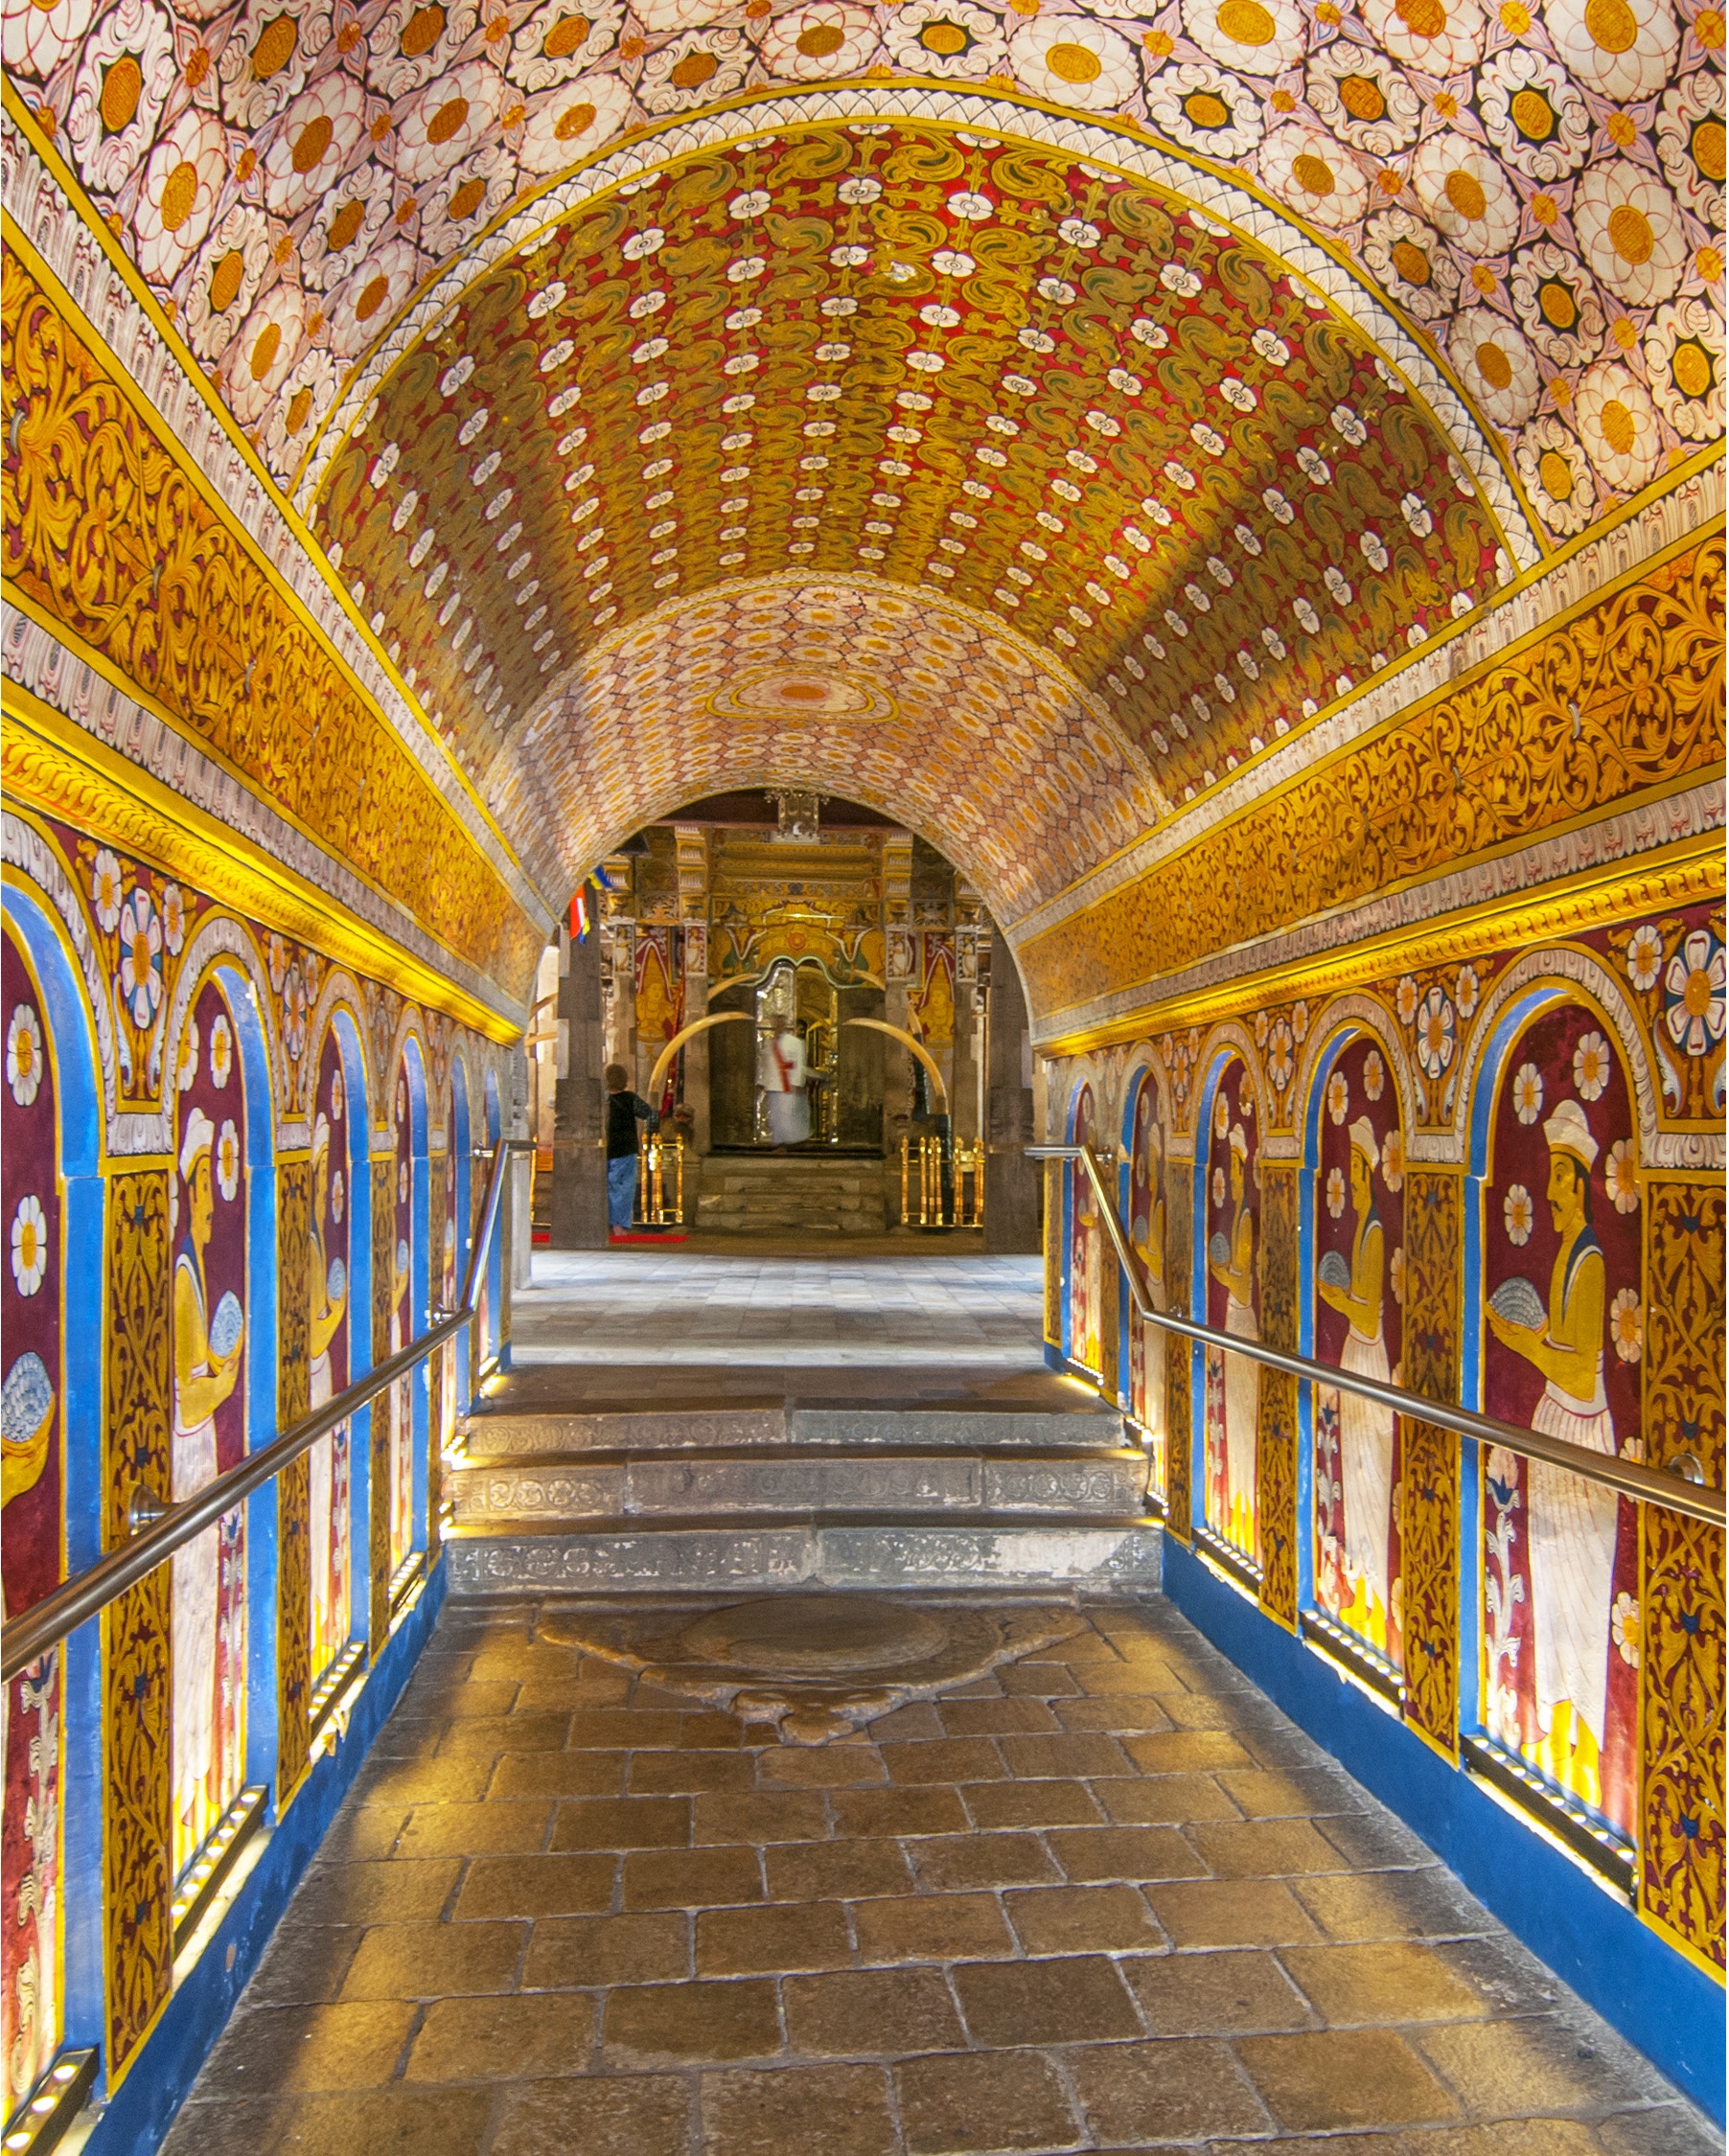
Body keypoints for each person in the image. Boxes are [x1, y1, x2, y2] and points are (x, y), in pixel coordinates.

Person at [1485, 1093, 1616, 1808]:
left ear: (1581, 1183)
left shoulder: (1589, 1259)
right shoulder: (1569, 1251)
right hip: (1557, 1425)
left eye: (1560, 1178)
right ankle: (1561, 1725)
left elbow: (1580, 1369)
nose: (1550, 1189)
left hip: (1580, 1429)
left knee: (1579, 1580)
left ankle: (1590, 1742)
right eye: (1552, 1176)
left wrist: (1521, 1343)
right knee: (1550, 1566)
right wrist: (1530, 1341)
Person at [173, 1106, 242, 1863]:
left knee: (195, 1602)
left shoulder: (189, 1271)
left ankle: (195, 1763)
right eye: (201, 1191)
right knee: (188, 1600)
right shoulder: (184, 1279)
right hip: (186, 1454)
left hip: (194, 1455)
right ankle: (188, 1768)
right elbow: (187, 1393)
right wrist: (225, 1375)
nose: (210, 1205)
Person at [1318, 1116, 1394, 1649]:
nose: (1352, 1181)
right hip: (1356, 1356)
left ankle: (1375, 1591)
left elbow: (1367, 1314)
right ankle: (1363, 1585)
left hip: (1368, 1357)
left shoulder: (1375, 1232)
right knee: (1357, 1468)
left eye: (1357, 1172)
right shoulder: (1367, 1228)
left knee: (1369, 1474)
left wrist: (1334, 1298)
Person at [1209, 1123, 1258, 1554]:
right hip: (1234, 1317)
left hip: (1243, 1321)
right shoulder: (1240, 1213)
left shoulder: (1245, 1218)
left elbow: (1243, 1283)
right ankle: (1238, 1501)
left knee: (1242, 1412)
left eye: (1237, 1168)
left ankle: (1243, 1502)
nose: (1234, 1176)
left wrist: (1220, 1273)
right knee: (1236, 1412)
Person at [606, 1064, 658, 1235]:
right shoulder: (630, 1099)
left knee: (605, 1187)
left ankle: (606, 1222)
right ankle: (618, 1225)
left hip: (604, 1149)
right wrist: (649, 1134)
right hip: (625, 1149)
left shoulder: (601, 1099)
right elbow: (650, 1114)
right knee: (622, 1189)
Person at [758, 1019, 809, 1149]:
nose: (777, 1027)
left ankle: (790, 1143)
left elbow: (799, 1065)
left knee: (788, 1115)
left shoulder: (795, 1042)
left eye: (780, 1024)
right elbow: (765, 1066)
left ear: (785, 1026)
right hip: (773, 1084)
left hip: (788, 1084)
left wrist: (798, 1083)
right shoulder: (770, 1044)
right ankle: (780, 1144)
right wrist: (761, 1083)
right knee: (777, 1117)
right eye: (775, 1025)